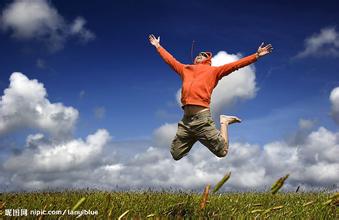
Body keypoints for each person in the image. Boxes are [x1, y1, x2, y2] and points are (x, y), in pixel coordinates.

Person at [149, 34, 273, 160]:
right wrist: (158, 46)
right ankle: (196, 136)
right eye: (198, 54)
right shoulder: (185, 69)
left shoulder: (214, 71)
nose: (199, 55)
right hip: (186, 121)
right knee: (176, 154)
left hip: (202, 119)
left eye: (203, 55)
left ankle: (224, 122)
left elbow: (236, 65)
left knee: (222, 152)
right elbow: (171, 61)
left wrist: (256, 56)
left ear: (208, 59)